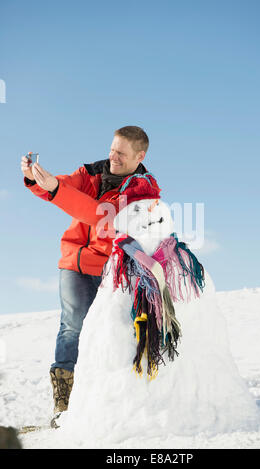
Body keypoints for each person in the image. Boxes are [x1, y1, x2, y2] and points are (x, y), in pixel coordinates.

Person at [20, 126, 160, 423]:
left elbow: (102, 218)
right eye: (112, 149)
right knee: (72, 325)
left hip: (112, 271)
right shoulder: (91, 173)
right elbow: (61, 185)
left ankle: (114, 398)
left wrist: (56, 189)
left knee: (114, 330)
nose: (113, 156)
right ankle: (64, 401)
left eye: (121, 153)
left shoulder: (143, 191)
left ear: (140, 155)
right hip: (73, 262)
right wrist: (36, 179)